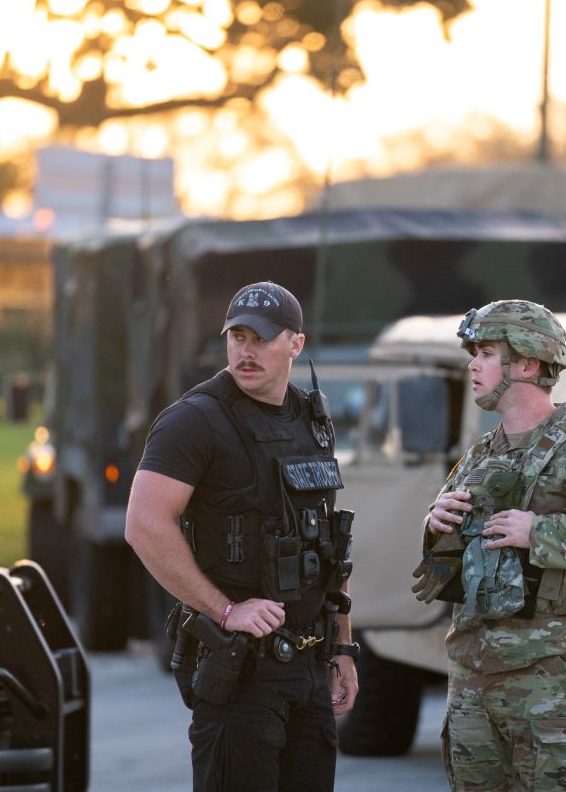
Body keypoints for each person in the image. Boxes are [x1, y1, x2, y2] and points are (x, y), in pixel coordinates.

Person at [410, 299, 566, 791]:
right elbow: (455, 548)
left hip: (550, 680)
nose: (473, 365)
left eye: (486, 352)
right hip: (473, 677)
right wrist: (434, 521)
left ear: (526, 363)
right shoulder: (483, 452)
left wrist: (540, 532)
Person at [126, 281, 359, 792]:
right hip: (240, 671)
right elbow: (144, 525)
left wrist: (343, 648)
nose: (245, 351)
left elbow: (329, 550)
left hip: (309, 667)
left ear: (295, 344)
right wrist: (226, 611)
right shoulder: (194, 421)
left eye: (261, 338)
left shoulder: (312, 419)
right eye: (237, 336)